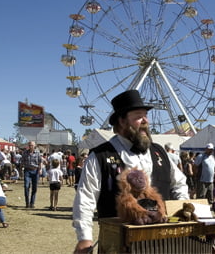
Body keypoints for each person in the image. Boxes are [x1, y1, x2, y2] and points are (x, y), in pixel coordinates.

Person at [73, 89, 189, 253]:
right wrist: (84, 238)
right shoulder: (100, 156)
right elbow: (85, 199)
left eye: (146, 116)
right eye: (139, 116)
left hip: (164, 242)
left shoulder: (160, 152)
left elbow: (179, 183)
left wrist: (180, 209)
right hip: (120, 243)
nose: (145, 121)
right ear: (121, 121)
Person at [21, 141, 42, 208]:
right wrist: (21, 169)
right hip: (27, 171)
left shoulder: (38, 153)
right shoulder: (25, 153)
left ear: (34, 146)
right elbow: (22, 162)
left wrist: (40, 169)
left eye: (32, 145)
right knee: (26, 186)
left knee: (34, 187)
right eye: (30, 145)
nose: (31, 146)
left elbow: (40, 162)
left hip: (35, 171)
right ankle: (27, 202)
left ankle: (32, 203)